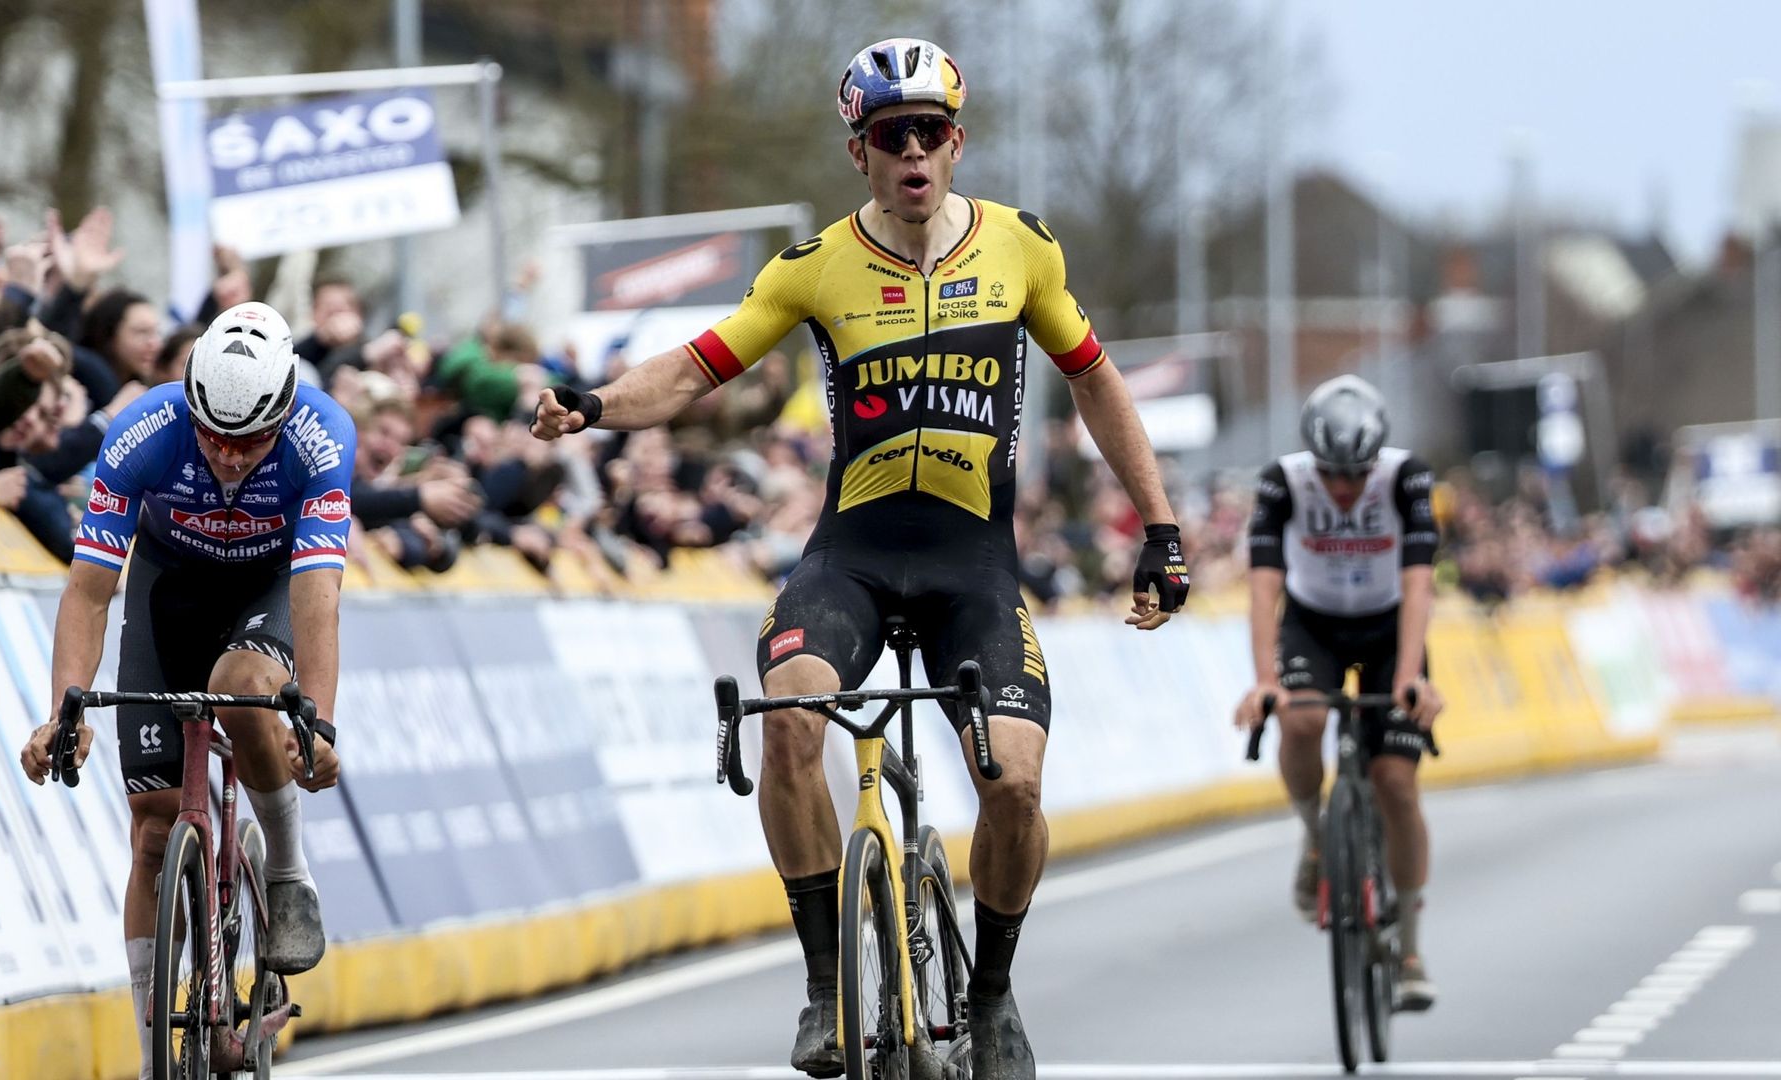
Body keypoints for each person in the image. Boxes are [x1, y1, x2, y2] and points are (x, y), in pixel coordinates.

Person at [533, 38, 1190, 1079]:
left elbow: (1099, 384)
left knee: (1014, 786)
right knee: (790, 713)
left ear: (958, 143)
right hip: (854, 559)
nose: (914, 154)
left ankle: (991, 996)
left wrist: (1160, 529)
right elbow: (699, 368)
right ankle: (822, 980)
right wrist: (597, 406)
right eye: (893, 138)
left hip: (974, 570)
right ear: (861, 155)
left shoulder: (1023, 249)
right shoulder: (817, 267)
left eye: (931, 133)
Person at [16, 301, 352, 1079]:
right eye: (214, 438)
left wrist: (320, 724)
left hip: (272, 585)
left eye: (250, 442)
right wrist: (66, 708)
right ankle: (150, 1059)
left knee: (240, 690)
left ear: (286, 411)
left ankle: (287, 869)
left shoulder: (321, 436)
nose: (230, 459)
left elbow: (317, 597)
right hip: (170, 589)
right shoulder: (142, 431)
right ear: (190, 403)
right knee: (153, 832)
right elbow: (91, 590)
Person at [1232, 374, 1445, 1011]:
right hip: (1314, 622)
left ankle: (1408, 947)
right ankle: (1316, 835)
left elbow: (1419, 584)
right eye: (1333, 475)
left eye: (1357, 475)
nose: (1346, 489)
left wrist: (1411, 676)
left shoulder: (1408, 478)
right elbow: (1265, 588)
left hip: (1388, 629)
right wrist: (1265, 681)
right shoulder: (1283, 479)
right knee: (1300, 721)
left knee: (1396, 783)